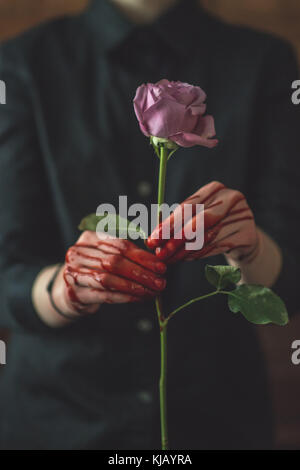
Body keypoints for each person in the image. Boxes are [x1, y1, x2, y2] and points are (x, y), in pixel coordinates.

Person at [0, 0, 299, 450]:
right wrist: (68, 287)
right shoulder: (22, 64)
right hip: (59, 419)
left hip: (215, 419)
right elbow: (8, 270)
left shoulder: (265, 62)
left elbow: (289, 284)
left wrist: (249, 248)